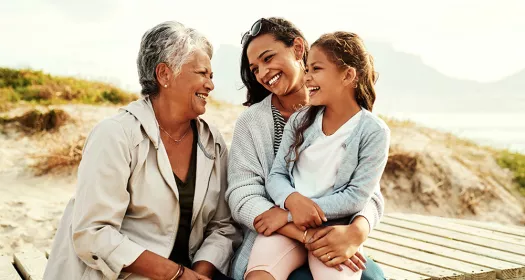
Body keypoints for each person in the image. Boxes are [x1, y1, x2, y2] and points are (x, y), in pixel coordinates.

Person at [44, 21, 242, 280]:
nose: (210, 85)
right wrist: (177, 275)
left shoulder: (211, 141)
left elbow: (222, 225)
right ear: (164, 75)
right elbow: (94, 233)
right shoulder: (115, 135)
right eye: (202, 73)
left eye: (211, 76)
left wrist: (199, 273)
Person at [226, 18, 386, 280]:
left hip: (334, 233)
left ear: (298, 49)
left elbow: (368, 191)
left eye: (268, 58)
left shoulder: (355, 120)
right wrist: (299, 226)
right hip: (276, 235)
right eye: (255, 69)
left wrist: (357, 232)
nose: (263, 73)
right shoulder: (253, 122)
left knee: (373, 278)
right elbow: (243, 194)